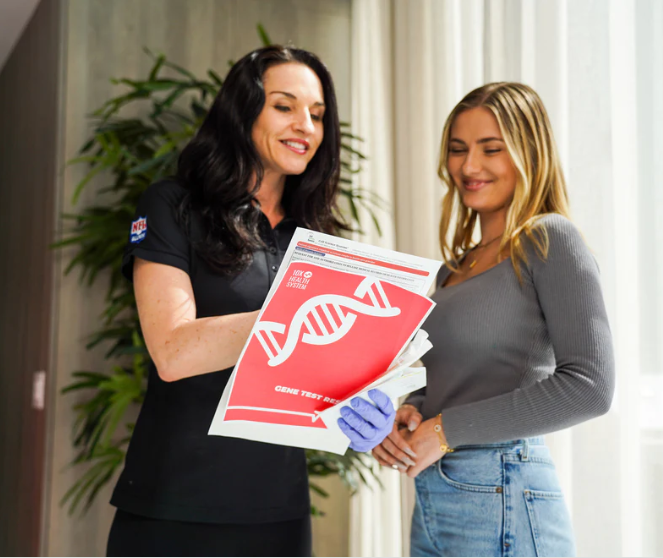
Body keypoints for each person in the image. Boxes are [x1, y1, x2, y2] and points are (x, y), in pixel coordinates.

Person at [105, 45, 393, 558]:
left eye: (318, 114)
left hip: (278, 514)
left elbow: (318, 376)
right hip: (174, 506)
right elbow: (173, 352)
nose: (305, 124)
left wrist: (367, 403)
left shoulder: (319, 237)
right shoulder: (172, 205)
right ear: (243, 110)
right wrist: (299, 321)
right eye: (285, 106)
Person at [371, 82, 616, 557]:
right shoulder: (453, 269)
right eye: (458, 150)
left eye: (491, 149)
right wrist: (416, 409)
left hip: (503, 487)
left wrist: (443, 430)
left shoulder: (550, 241)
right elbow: (461, 378)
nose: (469, 167)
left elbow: (591, 385)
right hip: (436, 496)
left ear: (529, 152)